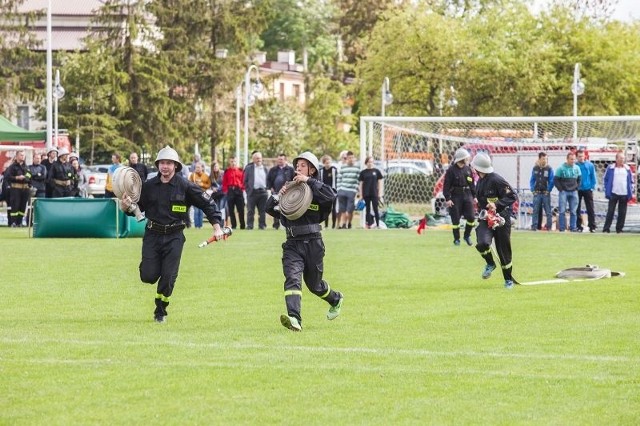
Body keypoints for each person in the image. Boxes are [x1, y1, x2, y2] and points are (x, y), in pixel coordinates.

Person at [120, 145, 224, 323]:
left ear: (176, 165)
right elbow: (138, 208)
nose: (165, 166)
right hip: (152, 235)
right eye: (162, 163)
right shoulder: (149, 186)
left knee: (168, 278)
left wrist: (216, 226)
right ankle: (154, 268)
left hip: (175, 236)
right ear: (158, 165)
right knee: (148, 276)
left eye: (169, 163)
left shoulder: (186, 186)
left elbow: (208, 204)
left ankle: (160, 309)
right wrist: (126, 208)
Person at [265, 151, 343, 331]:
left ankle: (336, 299)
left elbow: (331, 196)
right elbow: (270, 209)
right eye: (297, 165)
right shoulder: (290, 189)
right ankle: (295, 319)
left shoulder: (318, 190)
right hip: (292, 243)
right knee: (292, 278)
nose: (298, 168)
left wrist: (309, 182)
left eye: (302, 165)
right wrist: (279, 195)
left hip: (314, 242)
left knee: (315, 285)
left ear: (312, 170)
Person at [470, 152, 518, 289]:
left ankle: (508, 280)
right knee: (482, 242)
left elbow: (512, 196)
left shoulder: (496, 179)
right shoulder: (479, 182)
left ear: (477, 168)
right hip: (486, 217)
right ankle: (490, 263)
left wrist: (496, 205)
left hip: (501, 218)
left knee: (504, 250)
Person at [443, 148, 476, 245]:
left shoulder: (468, 169)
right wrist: (448, 198)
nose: (467, 159)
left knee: (471, 217)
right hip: (455, 197)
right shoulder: (451, 170)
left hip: (467, 195)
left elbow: (472, 183)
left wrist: (474, 196)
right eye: (466, 158)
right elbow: (446, 186)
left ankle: (467, 236)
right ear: (461, 159)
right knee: (455, 219)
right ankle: (456, 239)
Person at [602, 151, 633, 234]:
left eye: (623, 158)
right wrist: (606, 189)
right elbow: (605, 179)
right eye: (620, 158)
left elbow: (631, 181)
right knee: (610, 211)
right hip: (613, 193)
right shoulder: (611, 168)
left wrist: (631, 190)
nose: (622, 160)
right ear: (616, 159)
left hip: (624, 193)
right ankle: (606, 228)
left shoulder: (627, 168)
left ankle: (619, 229)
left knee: (622, 213)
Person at [554, 152, 581, 232]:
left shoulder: (577, 168)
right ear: (567, 159)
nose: (573, 161)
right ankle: (562, 228)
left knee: (573, 211)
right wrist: (561, 189)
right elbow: (556, 180)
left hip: (574, 192)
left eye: (574, 159)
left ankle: (573, 227)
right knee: (562, 210)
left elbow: (579, 179)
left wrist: (577, 188)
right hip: (564, 192)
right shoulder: (561, 168)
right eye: (571, 159)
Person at [266, 153, 294, 229]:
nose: (279, 161)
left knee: (285, 209)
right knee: (275, 209)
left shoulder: (290, 170)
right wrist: (270, 187)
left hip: (287, 193)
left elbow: (293, 180)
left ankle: (286, 224)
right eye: (278, 159)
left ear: (285, 160)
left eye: (281, 159)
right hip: (276, 193)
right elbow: (268, 180)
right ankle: (276, 225)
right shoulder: (273, 170)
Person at [243, 151, 270, 230]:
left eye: (260, 158)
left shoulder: (265, 169)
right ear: (253, 159)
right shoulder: (248, 168)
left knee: (262, 211)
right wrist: (248, 190)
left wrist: (267, 188)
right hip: (252, 192)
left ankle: (262, 226)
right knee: (250, 210)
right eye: (257, 158)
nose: (259, 160)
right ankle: (250, 225)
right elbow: (245, 181)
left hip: (263, 193)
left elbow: (268, 180)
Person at [5, 150, 31, 227]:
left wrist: (26, 178)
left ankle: (20, 222)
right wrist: (17, 177)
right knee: (15, 206)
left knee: (23, 206)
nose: (22, 156)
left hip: (25, 189)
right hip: (16, 188)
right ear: (16, 156)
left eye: (23, 155)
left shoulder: (26, 167)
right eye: (21, 155)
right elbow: (7, 177)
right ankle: (13, 222)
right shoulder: (12, 167)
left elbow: (29, 176)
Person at [529, 152, 554, 231]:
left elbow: (551, 180)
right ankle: (534, 227)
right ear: (539, 159)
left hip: (545, 193)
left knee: (548, 211)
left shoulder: (549, 168)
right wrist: (533, 190)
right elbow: (532, 180)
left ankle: (549, 227)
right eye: (543, 159)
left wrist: (548, 190)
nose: (545, 160)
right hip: (537, 193)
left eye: (546, 159)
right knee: (535, 211)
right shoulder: (535, 168)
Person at [358, 155, 384, 229]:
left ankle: (378, 224)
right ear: (366, 163)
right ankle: (368, 224)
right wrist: (361, 194)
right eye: (369, 162)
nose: (370, 163)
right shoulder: (363, 172)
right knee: (368, 209)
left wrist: (380, 193)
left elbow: (380, 183)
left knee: (376, 209)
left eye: (372, 162)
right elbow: (361, 184)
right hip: (366, 193)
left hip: (374, 193)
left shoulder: (376, 171)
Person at [336, 150, 359, 229]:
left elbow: (358, 180)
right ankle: (344, 224)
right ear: (347, 159)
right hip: (342, 190)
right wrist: (339, 189)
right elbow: (339, 178)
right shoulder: (343, 167)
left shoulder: (357, 167)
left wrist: (355, 190)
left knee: (349, 210)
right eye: (349, 158)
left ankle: (349, 223)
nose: (351, 159)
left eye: (352, 158)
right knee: (343, 209)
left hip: (351, 191)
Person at [576, 149, 597, 233]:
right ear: (577, 157)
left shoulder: (590, 165)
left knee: (590, 208)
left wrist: (592, 187)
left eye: (582, 156)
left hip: (588, 189)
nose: (581, 158)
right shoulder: (575, 166)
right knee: (577, 208)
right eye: (579, 156)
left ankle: (592, 226)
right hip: (578, 189)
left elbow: (593, 176)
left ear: (585, 156)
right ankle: (578, 226)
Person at [221, 156, 245, 229]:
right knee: (231, 210)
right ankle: (234, 225)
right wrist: (226, 190)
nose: (233, 163)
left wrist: (242, 189)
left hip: (238, 190)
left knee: (240, 209)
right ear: (229, 162)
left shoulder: (241, 171)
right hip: (230, 191)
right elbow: (224, 182)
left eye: (234, 161)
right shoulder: (227, 171)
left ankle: (242, 225)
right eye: (231, 161)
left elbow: (243, 181)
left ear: (236, 162)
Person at [188, 162, 212, 228]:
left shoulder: (206, 176)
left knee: (201, 210)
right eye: (196, 167)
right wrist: (194, 185)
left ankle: (200, 226)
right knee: (196, 210)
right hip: (194, 195)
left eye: (198, 167)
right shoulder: (193, 175)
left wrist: (202, 184)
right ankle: (196, 226)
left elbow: (209, 185)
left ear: (202, 168)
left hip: (203, 194)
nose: (197, 169)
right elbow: (189, 184)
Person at [319, 155, 338, 229]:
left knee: (334, 209)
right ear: (324, 163)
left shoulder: (334, 169)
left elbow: (334, 182)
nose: (328, 164)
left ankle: (333, 225)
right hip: (324, 192)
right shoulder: (321, 170)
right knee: (326, 209)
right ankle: (326, 225)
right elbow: (321, 182)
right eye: (326, 163)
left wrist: (334, 192)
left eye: (329, 162)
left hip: (333, 192)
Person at [208, 161, 227, 226]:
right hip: (215, 195)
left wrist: (218, 189)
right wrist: (212, 188)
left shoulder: (222, 173)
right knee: (216, 208)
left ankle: (222, 223)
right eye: (214, 167)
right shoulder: (211, 175)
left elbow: (224, 183)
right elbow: (209, 184)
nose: (215, 168)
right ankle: (218, 223)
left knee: (221, 208)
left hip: (222, 193)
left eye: (216, 166)